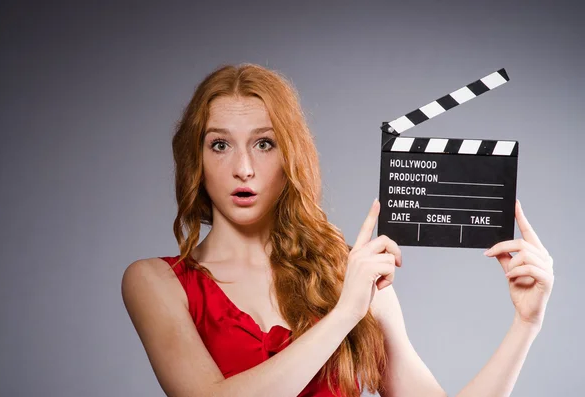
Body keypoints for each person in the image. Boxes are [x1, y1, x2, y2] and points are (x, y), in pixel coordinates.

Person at [121, 63, 554, 397]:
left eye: (264, 143)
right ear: (195, 159)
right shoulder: (155, 282)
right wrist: (345, 312)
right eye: (220, 144)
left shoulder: (353, 274)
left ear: (291, 156)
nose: (243, 169)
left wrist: (526, 324)